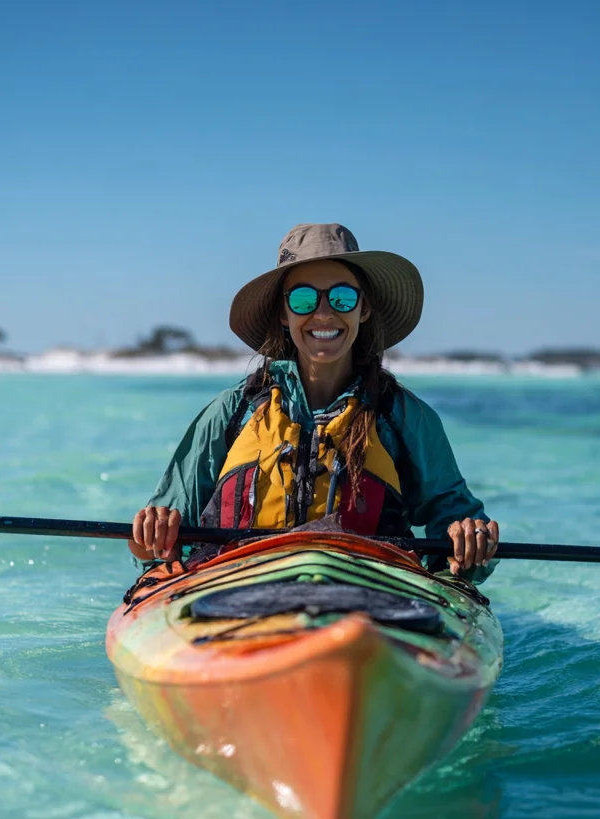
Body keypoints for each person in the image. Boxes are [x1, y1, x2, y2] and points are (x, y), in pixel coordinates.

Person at [128, 223, 499, 580]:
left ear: (363, 309)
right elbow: (157, 543)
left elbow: (457, 531)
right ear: (283, 314)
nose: (323, 313)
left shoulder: (404, 418)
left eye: (342, 297)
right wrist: (150, 533)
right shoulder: (231, 413)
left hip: (371, 601)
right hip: (233, 595)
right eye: (304, 299)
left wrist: (469, 541)